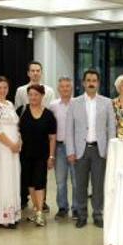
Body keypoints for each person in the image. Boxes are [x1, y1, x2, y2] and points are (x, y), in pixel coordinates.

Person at [65, 69, 116, 229]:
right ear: (83, 83)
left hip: (99, 150)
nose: (91, 83)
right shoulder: (74, 103)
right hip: (80, 150)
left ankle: (98, 214)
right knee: (80, 185)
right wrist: (70, 151)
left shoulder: (107, 102)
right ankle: (81, 214)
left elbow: (112, 128)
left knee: (98, 184)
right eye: (88, 80)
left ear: (98, 83)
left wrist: (110, 149)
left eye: (94, 80)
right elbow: (69, 129)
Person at [19, 85, 57, 227]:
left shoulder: (48, 115)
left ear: (42, 96)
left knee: (40, 182)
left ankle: (40, 212)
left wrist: (51, 156)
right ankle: (36, 210)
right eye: (31, 95)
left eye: (36, 95)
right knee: (29, 183)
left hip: (42, 155)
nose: (33, 97)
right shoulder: (22, 111)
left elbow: (52, 137)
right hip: (25, 154)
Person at [0, 76, 22, 228]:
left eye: (5, 87)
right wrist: (11, 145)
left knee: (13, 179)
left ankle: (13, 213)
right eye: (0, 87)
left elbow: (16, 126)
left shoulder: (9, 104)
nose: (2, 90)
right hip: (2, 149)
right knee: (3, 179)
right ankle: (3, 217)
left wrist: (19, 141)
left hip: (14, 149)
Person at [48, 77, 77, 220]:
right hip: (59, 148)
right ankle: (62, 208)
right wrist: (50, 153)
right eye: (62, 86)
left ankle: (77, 209)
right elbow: (50, 130)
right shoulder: (53, 106)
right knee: (60, 181)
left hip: (75, 148)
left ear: (71, 88)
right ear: (58, 89)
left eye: (68, 86)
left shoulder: (78, 104)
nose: (65, 89)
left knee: (77, 181)